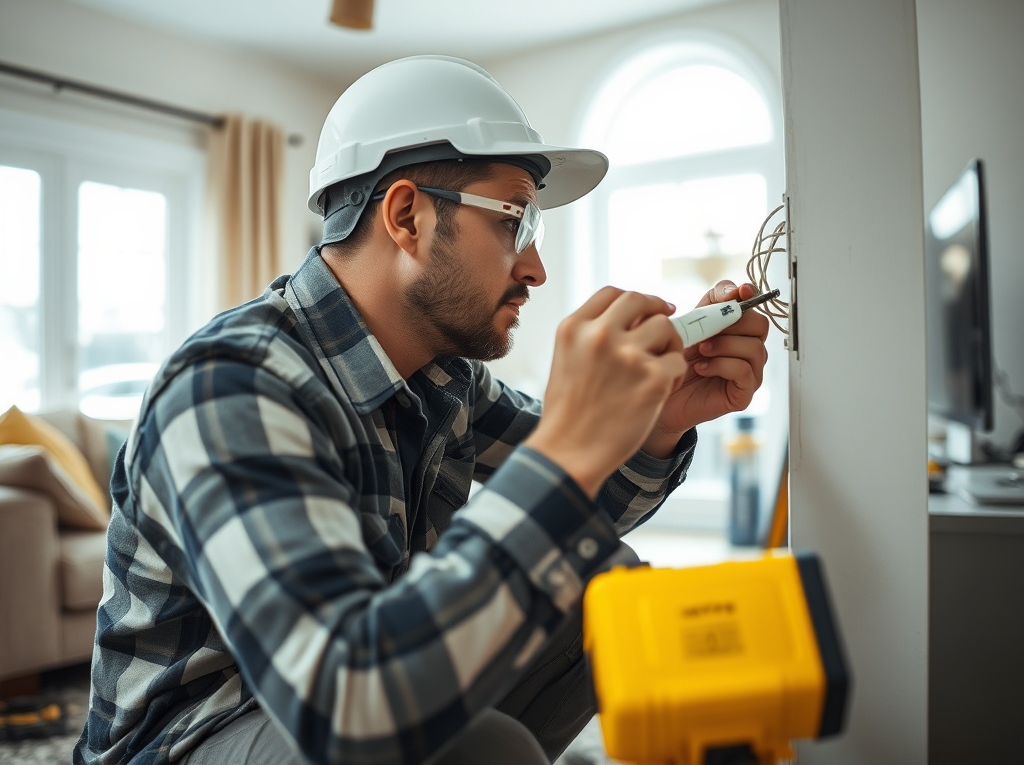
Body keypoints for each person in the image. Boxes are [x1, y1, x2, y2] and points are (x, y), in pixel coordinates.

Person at [73, 55, 769, 765]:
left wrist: (658, 422)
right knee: (480, 748)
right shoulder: (229, 386)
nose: (535, 269)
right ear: (407, 215)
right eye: (515, 221)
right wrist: (567, 448)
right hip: (200, 735)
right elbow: (346, 702)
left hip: (352, 691)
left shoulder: (445, 378)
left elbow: (578, 507)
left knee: (603, 593)